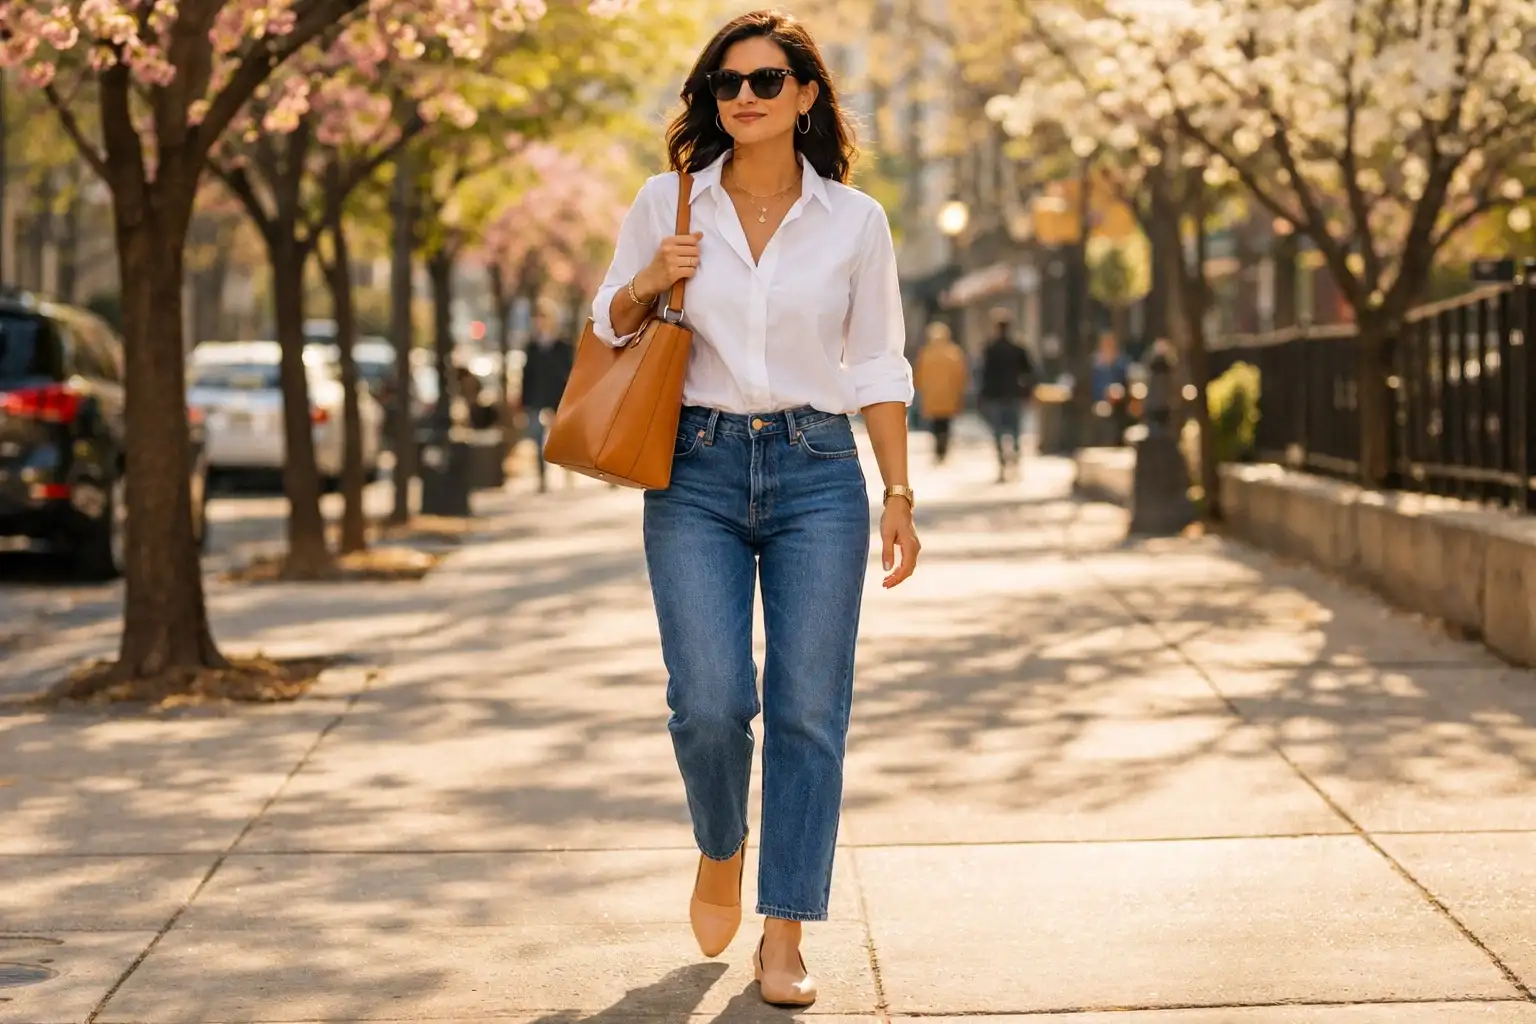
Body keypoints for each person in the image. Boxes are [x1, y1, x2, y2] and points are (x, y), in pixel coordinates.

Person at [590, 9, 919, 1008]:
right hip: (695, 469)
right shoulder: (668, 200)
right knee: (711, 703)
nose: (742, 97)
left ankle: (785, 934)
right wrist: (653, 277)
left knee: (811, 713)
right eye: (725, 84)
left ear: (806, 96)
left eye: (766, 82)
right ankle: (721, 842)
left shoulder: (856, 223)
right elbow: (605, 320)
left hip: (820, 470)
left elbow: (878, 362)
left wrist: (897, 490)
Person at [519, 298, 575, 492]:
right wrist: (523, 402)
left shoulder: (563, 345)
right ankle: (541, 478)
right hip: (536, 398)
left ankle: (568, 473)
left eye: (543, 317)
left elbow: (571, 372)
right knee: (536, 439)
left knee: (562, 439)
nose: (540, 321)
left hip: (558, 398)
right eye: (537, 317)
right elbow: (526, 376)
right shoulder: (531, 347)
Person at [977, 308, 1035, 482]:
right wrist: (1027, 391)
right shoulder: (1018, 348)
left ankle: (1002, 464)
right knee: (1016, 431)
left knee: (998, 432)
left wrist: (983, 395)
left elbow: (984, 374)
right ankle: (1015, 462)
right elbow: (1030, 371)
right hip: (1014, 394)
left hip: (996, 395)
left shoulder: (990, 348)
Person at [912, 321, 968, 464]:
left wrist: (919, 389)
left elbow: (919, 375)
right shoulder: (954, 352)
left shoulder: (926, 353)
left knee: (936, 423)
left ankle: (938, 447)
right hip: (949, 396)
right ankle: (943, 446)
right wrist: (960, 391)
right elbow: (960, 375)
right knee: (946, 422)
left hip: (932, 396)